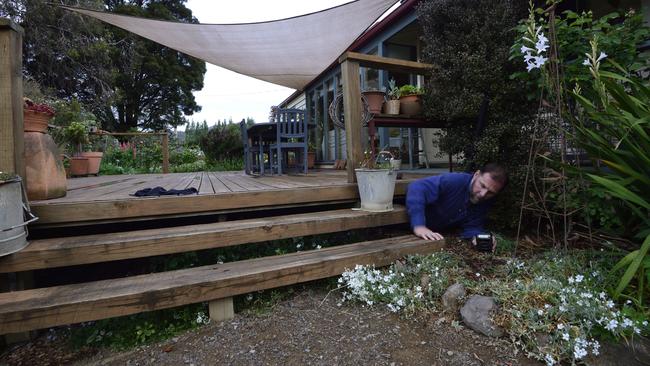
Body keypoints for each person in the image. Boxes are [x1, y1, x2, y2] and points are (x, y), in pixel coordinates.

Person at [405, 163, 508, 251]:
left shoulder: (485, 201)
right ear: (476, 175)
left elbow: (473, 224)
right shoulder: (454, 181)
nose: (483, 194)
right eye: (482, 185)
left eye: (490, 192)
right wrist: (419, 225)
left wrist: (477, 237)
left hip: (434, 229)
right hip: (406, 218)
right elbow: (416, 187)